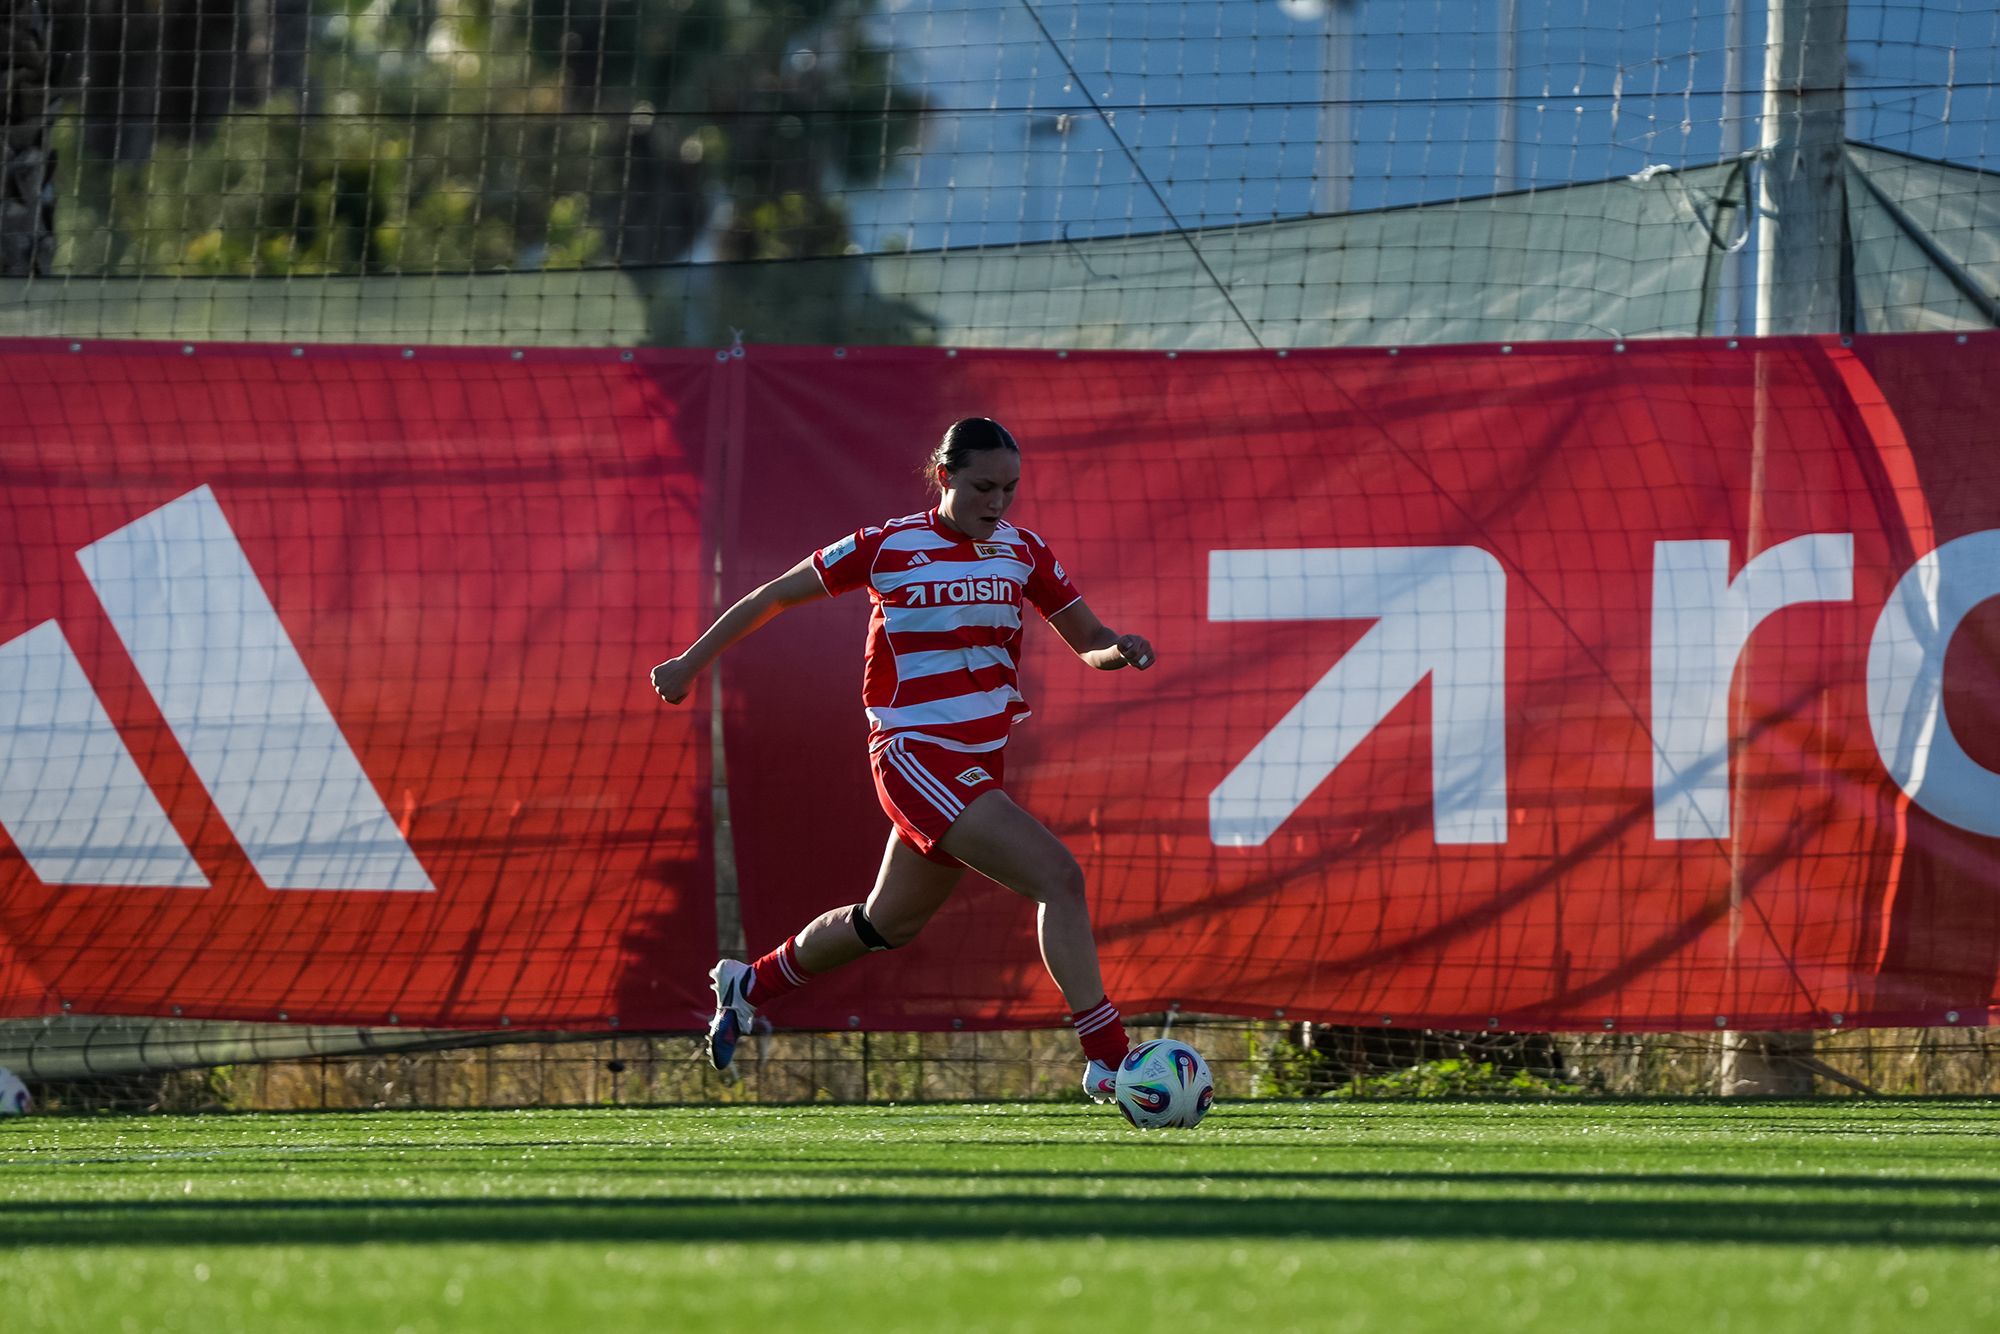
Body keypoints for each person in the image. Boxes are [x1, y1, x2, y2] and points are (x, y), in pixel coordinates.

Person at [649, 417, 1155, 1104]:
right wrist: (689, 662)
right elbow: (773, 595)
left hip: (978, 759)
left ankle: (751, 983)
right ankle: (1109, 1060)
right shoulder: (889, 545)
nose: (997, 502)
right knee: (1058, 878)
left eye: (1008, 489)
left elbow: (1087, 640)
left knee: (887, 922)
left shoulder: (1023, 552)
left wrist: (1117, 650)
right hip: (917, 754)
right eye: (982, 486)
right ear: (944, 476)